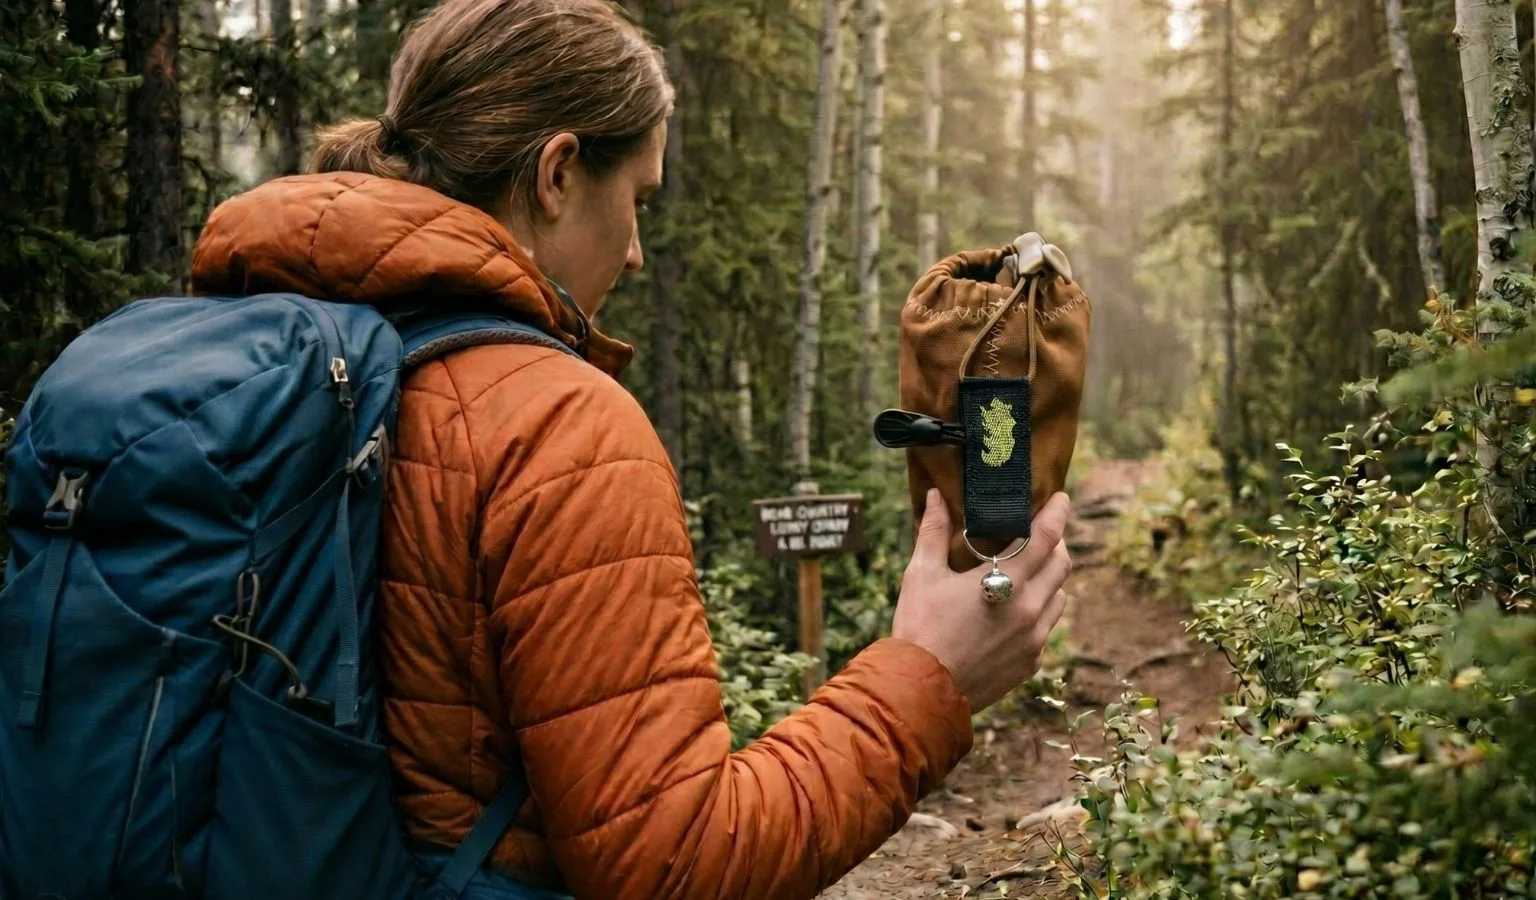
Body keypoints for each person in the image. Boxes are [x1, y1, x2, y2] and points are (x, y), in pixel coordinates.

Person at [188, 0, 1074, 896]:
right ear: (559, 173)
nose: (640, 251)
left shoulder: (246, 361)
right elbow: (678, 863)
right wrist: (928, 678)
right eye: (638, 198)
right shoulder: (554, 425)